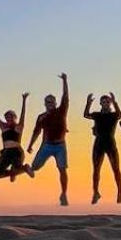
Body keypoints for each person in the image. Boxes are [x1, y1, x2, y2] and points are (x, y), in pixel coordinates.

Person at [27, 73, 70, 206]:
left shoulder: (61, 110)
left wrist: (64, 81)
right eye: (48, 102)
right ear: (45, 104)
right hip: (47, 146)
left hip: (60, 146)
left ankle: (63, 194)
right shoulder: (41, 117)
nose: (50, 104)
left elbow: (66, 97)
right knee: (34, 168)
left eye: (52, 102)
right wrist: (30, 145)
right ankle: (27, 168)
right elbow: (36, 132)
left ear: (55, 103)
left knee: (62, 169)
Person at [83, 91, 121, 205]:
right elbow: (86, 115)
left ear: (110, 103)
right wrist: (88, 103)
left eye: (107, 101)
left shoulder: (113, 115)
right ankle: (96, 193)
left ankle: (120, 192)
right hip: (99, 144)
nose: (105, 103)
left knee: (116, 169)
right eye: (103, 102)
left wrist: (115, 102)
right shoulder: (97, 115)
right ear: (101, 103)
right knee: (96, 170)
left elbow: (120, 115)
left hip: (110, 144)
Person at [0, 91, 35, 182]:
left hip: (16, 152)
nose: (8, 119)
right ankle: (13, 172)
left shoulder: (18, 127)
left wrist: (24, 100)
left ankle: (23, 168)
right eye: (7, 117)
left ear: (14, 117)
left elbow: (23, 115)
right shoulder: (3, 127)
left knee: (17, 166)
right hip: (6, 152)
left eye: (10, 117)